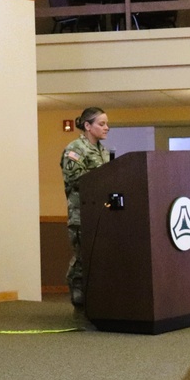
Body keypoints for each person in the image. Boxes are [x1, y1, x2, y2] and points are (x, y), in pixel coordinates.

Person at [61, 107, 111, 308]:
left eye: (107, 124)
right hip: (81, 214)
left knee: (100, 256)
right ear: (88, 126)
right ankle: (78, 295)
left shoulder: (103, 151)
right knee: (83, 257)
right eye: (102, 124)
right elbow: (76, 180)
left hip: (101, 212)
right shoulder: (75, 150)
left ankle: (97, 296)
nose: (107, 128)